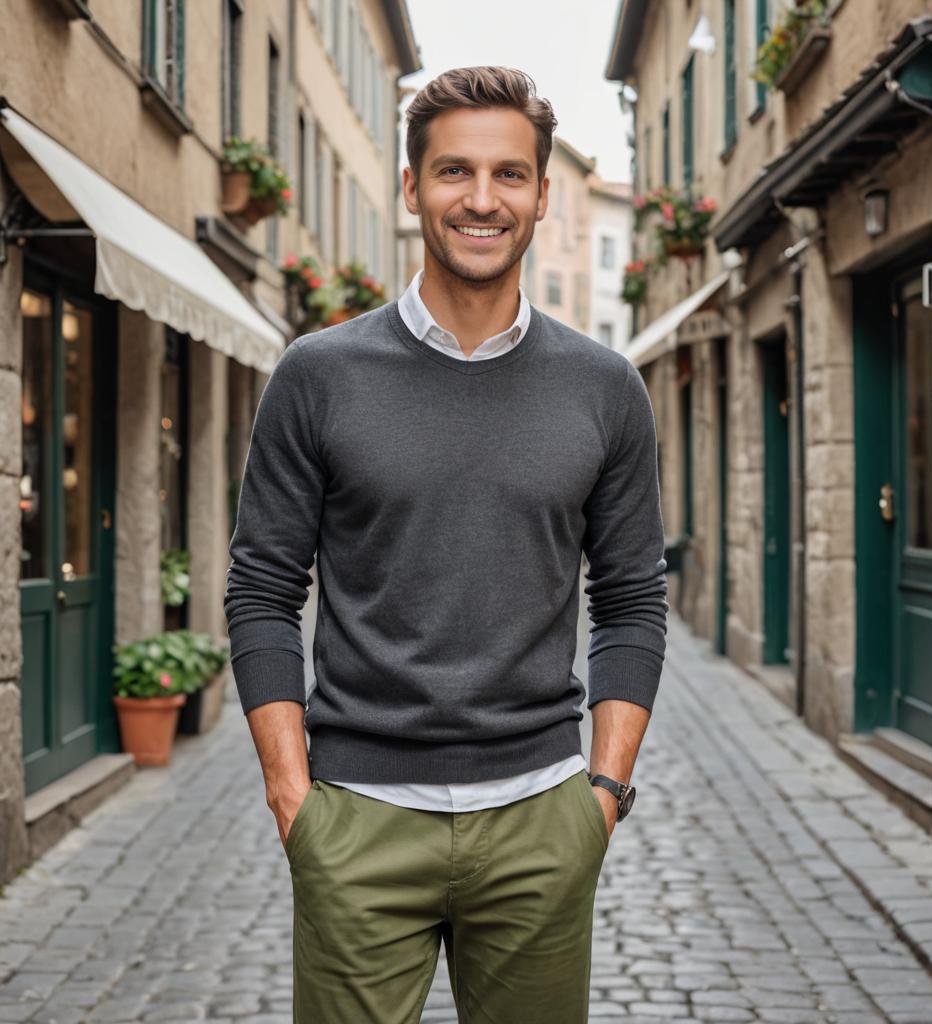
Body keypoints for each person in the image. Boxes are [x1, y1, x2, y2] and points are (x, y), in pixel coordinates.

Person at [223, 65, 669, 1024]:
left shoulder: (604, 389)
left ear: (544, 194)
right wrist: (293, 798)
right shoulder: (319, 375)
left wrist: (602, 796)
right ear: (412, 187)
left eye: (510, 175)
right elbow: (262, 589)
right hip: (356, 817)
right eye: (453, 172)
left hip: (544, 820)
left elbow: (632, 596)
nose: (481, 199)